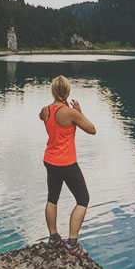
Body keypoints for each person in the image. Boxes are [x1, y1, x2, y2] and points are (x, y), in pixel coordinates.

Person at [39, 74, 96, 257]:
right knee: (83, 199)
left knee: (52, 198)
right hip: (67, 162)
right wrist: (80, 113)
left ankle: (54, 238)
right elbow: (92, 129)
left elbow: (42, 117)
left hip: (50, 160)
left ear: (54, 91)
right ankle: (72, 243)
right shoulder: (69, 113)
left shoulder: (46, 110)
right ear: (67, 92)